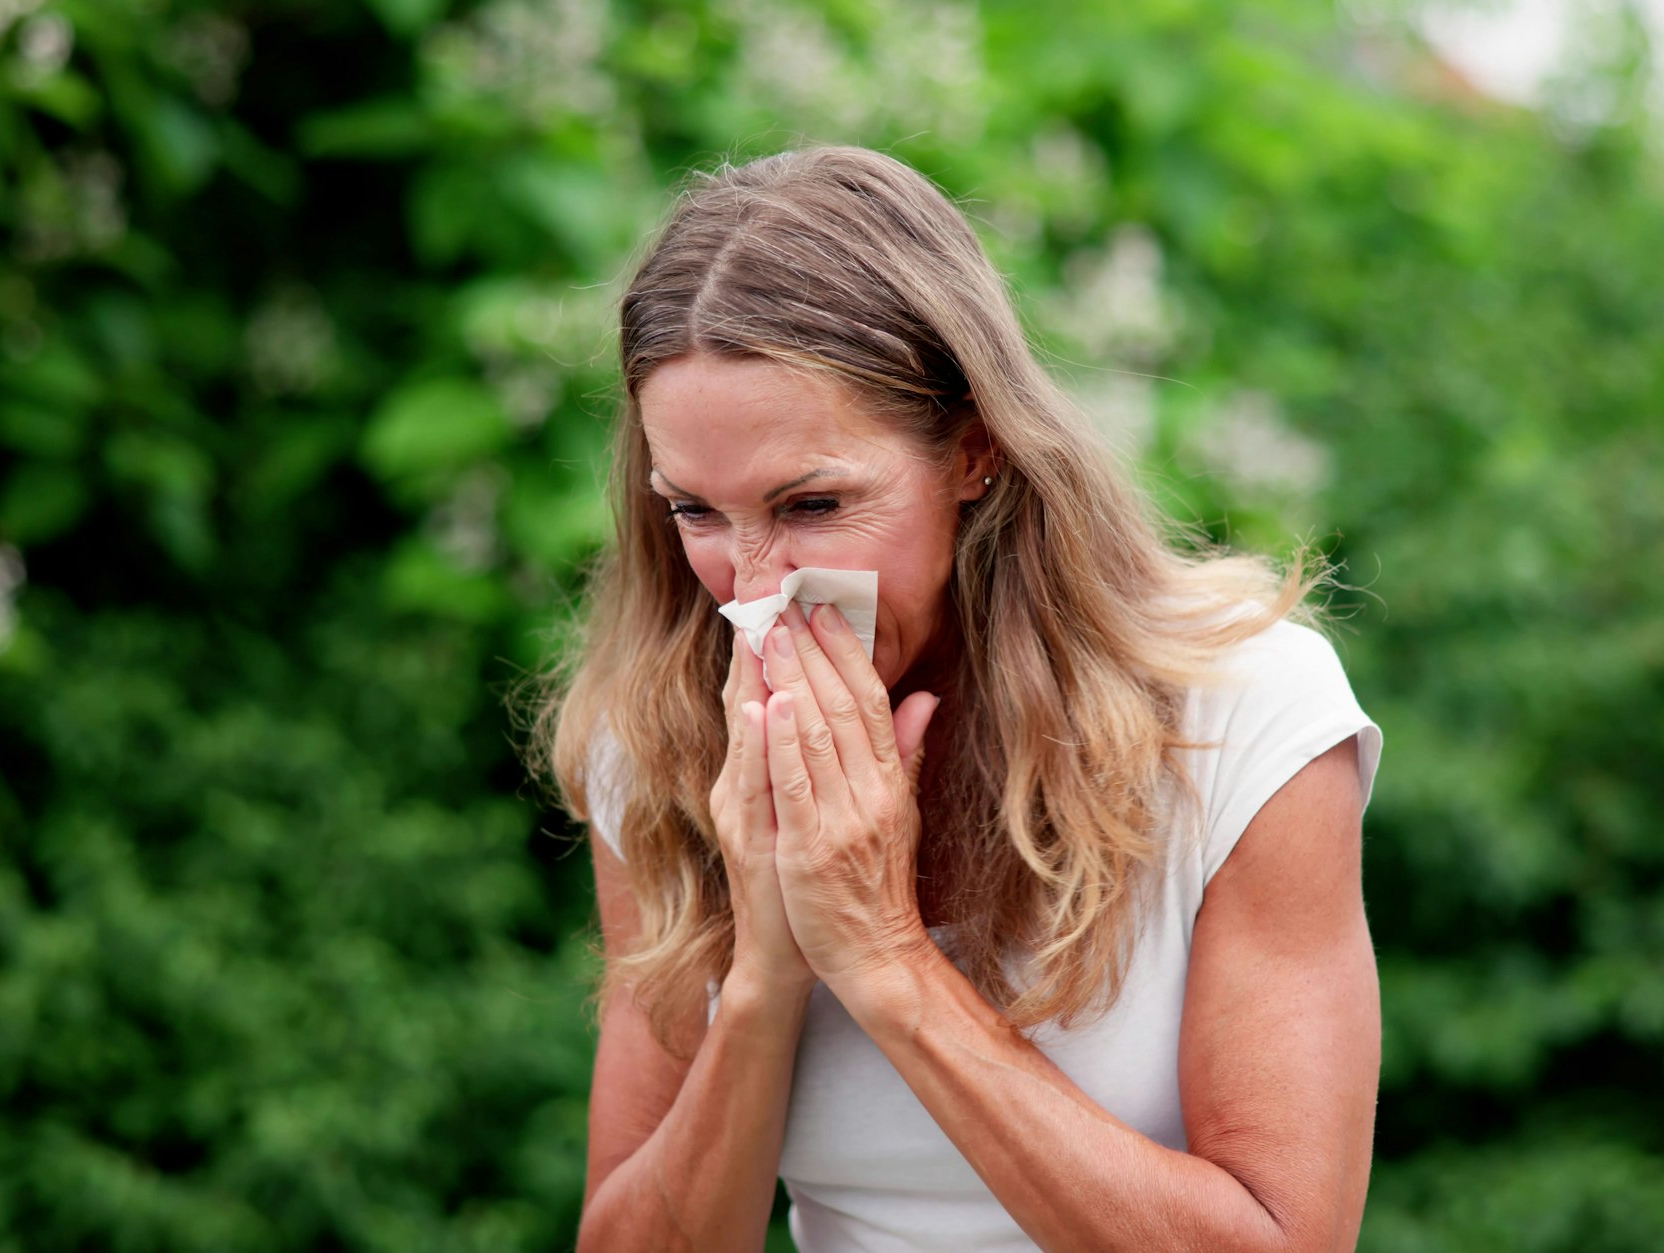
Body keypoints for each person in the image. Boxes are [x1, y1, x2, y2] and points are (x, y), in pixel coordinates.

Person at [542, 145, 1384, 1252]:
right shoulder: (656, 736)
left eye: (811, 502)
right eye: (693, 511)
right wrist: (766, 968)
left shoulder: (1243, 713)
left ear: (974, 448)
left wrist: (885, 956)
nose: (752, 590)